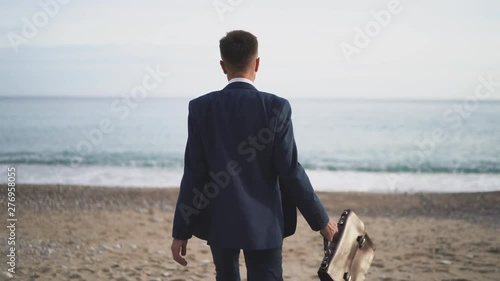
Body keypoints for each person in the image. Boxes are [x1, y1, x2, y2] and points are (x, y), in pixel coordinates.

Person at [171, 30, 338, 281]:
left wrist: (180, 231)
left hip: (220, 221)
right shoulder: (276, 107)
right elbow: (290, 171)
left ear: (222, 65)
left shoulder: (200, 108)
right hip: (265, 224)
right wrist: (321, 222)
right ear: (257, 63)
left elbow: (194, 173)